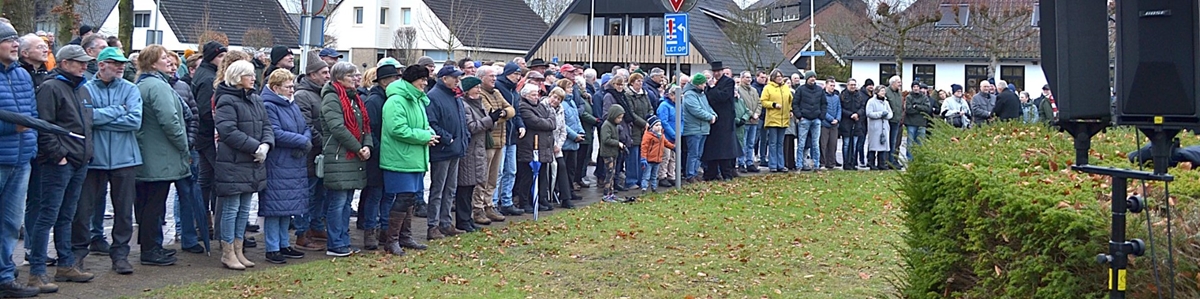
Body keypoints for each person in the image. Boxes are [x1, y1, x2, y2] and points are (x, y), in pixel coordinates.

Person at [26, 45, 95, 293]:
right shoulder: (50, 88)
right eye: (79, 62)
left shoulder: (82, 88)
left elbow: (87, 124)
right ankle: (37, 271)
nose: (85, 66)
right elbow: (44, 125)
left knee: (67, 215)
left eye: (86, 62)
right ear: (64, 63)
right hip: (60, 163)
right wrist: (59, 156)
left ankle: (65, 264)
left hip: (79, 161)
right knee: (47, 216)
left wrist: (87, 154)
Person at [74, 47, 141, 276]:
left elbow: (134, 121)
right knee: (83, 210)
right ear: (101, 65)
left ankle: (120, 255)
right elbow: (85, 120)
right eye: (115, 62)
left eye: (122, 62)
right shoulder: (85, 89)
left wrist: (101, 116)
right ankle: (78, 254)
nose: (121, 66)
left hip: (125, 159)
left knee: (123, 211)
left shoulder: (131, 89)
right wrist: (117, 110)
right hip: (94, 158)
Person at [213, 60, 274, 269]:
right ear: (238, 77)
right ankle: (228, 251)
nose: (253, 77)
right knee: (231, 208)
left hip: (252, 161)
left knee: (244, 208)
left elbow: (266, 125)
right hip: (233, 162)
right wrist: (255, 147)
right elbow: (227, 131)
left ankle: (239, 249)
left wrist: (266, 145)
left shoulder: (256, 99)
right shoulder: (226, 100)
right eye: (249, 75)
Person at [134, 45, 187, 267]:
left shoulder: (143, 84)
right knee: (154, 205)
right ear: (153, 63)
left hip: (147, 152)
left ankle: (150, 246)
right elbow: (170, 120)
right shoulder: (158, 87)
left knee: (145, 204)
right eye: (164, 58)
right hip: (160, 155)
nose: (169, 61)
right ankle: (150, 250)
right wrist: (183, 145)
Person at [0, 20, 42, 299]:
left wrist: (31, 146)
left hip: (21, 159)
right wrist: (10, 128)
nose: (16, 44)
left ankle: (4, 277)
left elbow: (33, 115)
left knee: (11, 223)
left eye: (17, 39)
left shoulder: (22, 75)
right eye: (8, 39)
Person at [379, 65, 435, 256]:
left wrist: (430, 133)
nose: (425, 83)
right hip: (399, 157)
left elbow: (424, 124)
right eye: (422, 80)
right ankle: (391, 240)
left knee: (410, 198)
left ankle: (405, 237)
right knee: (402, 197)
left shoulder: (417, 99)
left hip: (414, 157)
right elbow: (397, 129)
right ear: (412, 80)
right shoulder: (396, 101)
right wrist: (424, 136)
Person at [319, 62, 371, 256]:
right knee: (338, 202)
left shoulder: (354, 98)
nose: (356, 78)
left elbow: (365, 125)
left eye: (357, 75)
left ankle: (344, 240)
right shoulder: (332, 98)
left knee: (347, 201)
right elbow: (337, 128)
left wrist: (367, 145)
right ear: (339, 78)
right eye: (352, 75)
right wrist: (358, 148)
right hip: (340, 155)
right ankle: (335, 243)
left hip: (353, 156)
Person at [260, 69, 310, 264]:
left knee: (287, 206)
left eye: (292, 86)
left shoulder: (291, 104)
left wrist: (304, 140)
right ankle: (272, 247)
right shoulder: (269, 105)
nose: (292, 90)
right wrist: (301, 141)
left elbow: (305, 126)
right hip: (278, 162)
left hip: (293, 162)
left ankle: (283, 244)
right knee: (275, 207)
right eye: (288, 87)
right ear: (275, 88)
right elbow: (275, 132)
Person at [292, 51, 331, 251]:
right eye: (324, 72)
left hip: (323, 153)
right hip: (310, 154)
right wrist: (324, 142)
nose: (327, 75)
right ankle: (302, 232)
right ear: (312, 74)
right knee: (306, 193)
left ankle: (316, 226)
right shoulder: (302, 95)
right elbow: (306, 124)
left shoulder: (324, 92)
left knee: (320, 193)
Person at [425, 65, 469, 237]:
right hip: (442, 150)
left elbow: (461, 121)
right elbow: (432, 123)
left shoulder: (455, 96)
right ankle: (433, 225)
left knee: (450, 188)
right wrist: (447, 138)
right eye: (455, 77)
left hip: (455, 148)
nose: (458, 80)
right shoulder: (433, 97)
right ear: (445, 78)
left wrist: (463, 139)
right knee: (438, 188)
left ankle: (445, 222)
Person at [458, 76, 506, 232]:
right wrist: (489, 120)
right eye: (476, 87)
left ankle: (469, 219)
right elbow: (472, 126)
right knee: (465, 186)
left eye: (479, 87)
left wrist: (492, 119)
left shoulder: (479, 104)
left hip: (480, 147)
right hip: (470, 149)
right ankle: (463, 219)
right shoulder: (465, 106)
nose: (479, 90)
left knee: (474, 184)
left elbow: (487, 124)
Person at [190, 41, 225, 248]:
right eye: (220, 57)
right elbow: (205, 111)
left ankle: (203, 226)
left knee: (206, 182)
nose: (223, 61)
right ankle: (213, 228)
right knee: (217, 182)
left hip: (204, 138)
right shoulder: (207, 79)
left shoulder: (205, 74)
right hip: (208, 138)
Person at [362, 64, 400, 251]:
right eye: (394, 78)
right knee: (375, 194)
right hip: (378, 156)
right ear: (385, 82)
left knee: (389, 194)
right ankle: (370, 229)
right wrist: (379, 149)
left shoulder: (393, 99)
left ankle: (385, 229)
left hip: (391, 155)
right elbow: (369, 129)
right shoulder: (374, 101)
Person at [475, 66, 513, 223]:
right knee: (482, 176)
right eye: (491, 76)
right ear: (482, 77)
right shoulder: (480, 95)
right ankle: (478, 208)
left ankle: (489, 204)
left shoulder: (497, 92)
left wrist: (502, 114)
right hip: (487, 141)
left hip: (500, 141)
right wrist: (500, 114)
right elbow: (490, 115)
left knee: (494, 176)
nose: (494, 79)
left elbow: (511, 110)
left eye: (495, 76)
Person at [517, 84, 555, 213]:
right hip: (530, 146)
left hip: (543, 146)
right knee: (527, 176)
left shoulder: (541, 105)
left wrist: (548, 122)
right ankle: (524, 201)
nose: (536, 97)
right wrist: (548, 122)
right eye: (533, 95)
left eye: (537, 94)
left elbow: (552, 120)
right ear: (525, 95)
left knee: (542, 175)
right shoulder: (523, 107)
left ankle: (539, 199)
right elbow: (536, 122)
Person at [493, 64, 526, 216]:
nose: (517, 77)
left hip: (512, 135)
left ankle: (507, 201)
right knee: (498, 171)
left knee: (511, 170)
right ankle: (493, 202)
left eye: (519, 74)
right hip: (501, 134)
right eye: (515, 74)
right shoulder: (499, 87)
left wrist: (521, 125)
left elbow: (516, 112)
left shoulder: (514, 91)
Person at [702, 65, 740, 181]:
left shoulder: (728, 82)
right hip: (713, 119)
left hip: (725, 120)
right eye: (715, 71)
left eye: (718, 71)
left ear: (722, 71)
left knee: (725, 149)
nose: (716, 73)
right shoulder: (709, 83)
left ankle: (727, 174)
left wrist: (713, 88)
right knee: (712, 149)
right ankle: (712, 174)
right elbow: (708, 97)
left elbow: (723, 97)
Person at [544, 87, 575, 210]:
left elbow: (563, 130)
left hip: (557, 144)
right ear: (550, 95)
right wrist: (552, 145)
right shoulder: (543, 107)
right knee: (547, 170)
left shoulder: (560, 110)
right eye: (554, 97)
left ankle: (565, 198)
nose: (556, 100)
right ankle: (546, 196)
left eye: (559, 99)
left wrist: (558, 145)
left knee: (562, 167)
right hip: (545, 144)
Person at [681, 74, 715, 183]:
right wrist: (710, 117)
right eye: (704, 83)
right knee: (693, 153)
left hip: (703, 128)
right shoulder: (689, 95)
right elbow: (696, 110)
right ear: (698, 84)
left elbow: (707, 107)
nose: (705, 85)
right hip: (693, 129)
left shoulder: (701, 94)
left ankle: (695, 173)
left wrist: (713, 115)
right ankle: (690, 175)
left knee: (699, 154)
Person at [556, 79, 585, 201]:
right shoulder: (562, 104)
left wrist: (581, 131)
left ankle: (571, 190)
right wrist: (574, 135)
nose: (571, 89)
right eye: (568, 87)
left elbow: (577, 119)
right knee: (564, 169)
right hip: (566, 142)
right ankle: (564, 192)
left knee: (572, 169)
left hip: (574, 142)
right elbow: (563, 124)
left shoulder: (572, 102)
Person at [622, 73, 652, 188]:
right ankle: (631, 181)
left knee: (643, 155)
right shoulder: (628, 95)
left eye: (641, 81)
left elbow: (650, 108)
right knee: (633, 156)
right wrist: (644, 123)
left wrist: (650, 119)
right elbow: (631, 113)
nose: (640, 83)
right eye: (638, 81)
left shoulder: (644, 94)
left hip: (645, 129)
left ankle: (641, 179)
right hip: (634, 129)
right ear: (632, 82)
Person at [791, 71, 825, 171]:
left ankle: (816, 165)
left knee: (815, 144)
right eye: (811, 77)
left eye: (814, 77)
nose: (813, 79)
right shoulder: (800, 90)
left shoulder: (819, 90)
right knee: (801, 144)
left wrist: (821, 116)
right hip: (804, 119)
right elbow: (795, 104)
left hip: (816, 119)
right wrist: (799, 116)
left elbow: (824, 104)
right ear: (807, 78)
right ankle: (799, 165)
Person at [760, 70, 791, 173]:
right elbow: (763, 101)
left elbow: (790, 100)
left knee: (780, 143)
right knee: (773, 142)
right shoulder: (768, 88)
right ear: (773, 77)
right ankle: (773, 165)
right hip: (773, 119)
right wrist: (773, 105)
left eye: (780, 76)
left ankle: (781, 165)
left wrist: (790, 110)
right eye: (777, 76)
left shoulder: (785, 88)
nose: (779, 78)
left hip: (784, 119)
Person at [598, 104, 625, 202]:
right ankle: (606, 194)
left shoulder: (614, 125)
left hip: (613, 153)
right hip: (607, 153)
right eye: (619, 118)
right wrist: (618, 143)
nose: (620, 120)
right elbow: (606, 139)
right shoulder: (606, 125)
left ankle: (611, 193)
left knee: (612, 173)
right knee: (609, 173)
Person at [735, 71, 762, 173]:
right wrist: (751, 114)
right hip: (745, 121)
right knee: (743, 142)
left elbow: (759, 103)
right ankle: (742, 163)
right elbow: (742, 106)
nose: (749, 79)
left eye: (750, 77)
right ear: (742, 78)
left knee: (751, 143)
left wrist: (757, 114)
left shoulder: (754, 90)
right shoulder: (739, 90)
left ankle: (749, 162)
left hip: (754, 121)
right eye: (746, 77)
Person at [640, 116, 673, 192]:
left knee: (654, 175)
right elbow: (644, 147)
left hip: (658, 159)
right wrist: (643, 158)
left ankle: (654, 188)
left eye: (660, 125)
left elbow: (666, 143)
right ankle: (644, 188)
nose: (659, 127)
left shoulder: (661, 136)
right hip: (649, 160)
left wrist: (673, 147)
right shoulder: (648, 136)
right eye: (656, 125)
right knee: (646, 175)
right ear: (651, 127)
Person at [839, 78, 866, 171]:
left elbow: (863, 107)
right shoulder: (842, 95)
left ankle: (853, 163)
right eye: (851, 85)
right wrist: (850, 115)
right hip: (846, 122)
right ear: (847, 85)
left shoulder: (859, 95)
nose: (853, 86)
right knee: (846, 144)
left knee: (855, 144)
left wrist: (857, 114)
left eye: (854, 85)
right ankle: (846, 163)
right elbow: (841, 108)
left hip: (857, 122)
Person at [655, 85, 679, 186]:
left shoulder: (677, 106)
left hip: (675, 136)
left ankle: (671, 175)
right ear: (671, 95)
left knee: (673, 157)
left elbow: (681, 119)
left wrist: (679, 132)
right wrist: (674, 134)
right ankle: (662, 176)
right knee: (666, 156)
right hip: (666, 136)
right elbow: (664, 122)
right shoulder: (664, 105)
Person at [903, 83, 933, 161]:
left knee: (920, 142)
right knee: (910, 142)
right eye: (914, 87)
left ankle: (919, 159)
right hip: (911, 123)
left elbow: (927, 108)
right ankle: (910, 159)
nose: (916, 88)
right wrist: (920, 110)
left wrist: (916, 106)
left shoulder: (924, 97)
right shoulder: (909, 97)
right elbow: (909, 110)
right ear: (912, 88)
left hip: (922, 123)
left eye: (917, 87)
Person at [865, 87, 893, 170]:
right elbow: (869, 113)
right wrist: (880, 114)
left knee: (883, 145)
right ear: (877, 92)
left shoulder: (886, 102)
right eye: (882, 91)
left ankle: (882, 163)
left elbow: (890, 113)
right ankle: (871, 163)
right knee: (874, 146)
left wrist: (887, 115)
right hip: (875, 127)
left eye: (884, 91)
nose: (883, 93)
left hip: (884, 127)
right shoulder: (871, 102)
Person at [818, 77, 841, 170]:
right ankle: (822, 162)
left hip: (835, 124)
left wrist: (838, 119)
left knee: (833, 144)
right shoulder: (822, 96)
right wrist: (830, 119)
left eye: (833, 85)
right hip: (825, 124)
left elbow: (839, 108)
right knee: (823, 144)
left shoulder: (836, 97)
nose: (832, 87)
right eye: (831, 85)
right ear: (826, 85)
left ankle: (831, 162)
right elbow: (822, 109)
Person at [884, 76, 905, 168]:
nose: (900, 84)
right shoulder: (886, 92)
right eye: (898, 82)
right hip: (888, 121)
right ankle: (885, 161)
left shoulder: (899, 93)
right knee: (887, 142)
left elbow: (900, 107)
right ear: (892, 83)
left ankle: (893, 161)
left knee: (895, 142)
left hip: (897, 121)